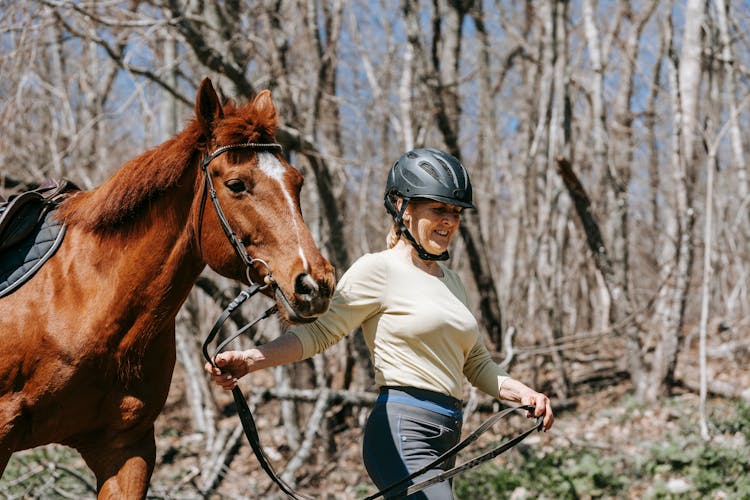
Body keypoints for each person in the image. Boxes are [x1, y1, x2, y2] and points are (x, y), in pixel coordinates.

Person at [205, 148, 554, 499]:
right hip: (403, 429)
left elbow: (475, 363)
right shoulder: (378, 269)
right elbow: (321, 332)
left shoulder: (452, 281)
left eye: (455, 212)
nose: (449, 220)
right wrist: (251, 359)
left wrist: (523, 393)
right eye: (438, 208)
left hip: (447, 433)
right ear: (402, 206)